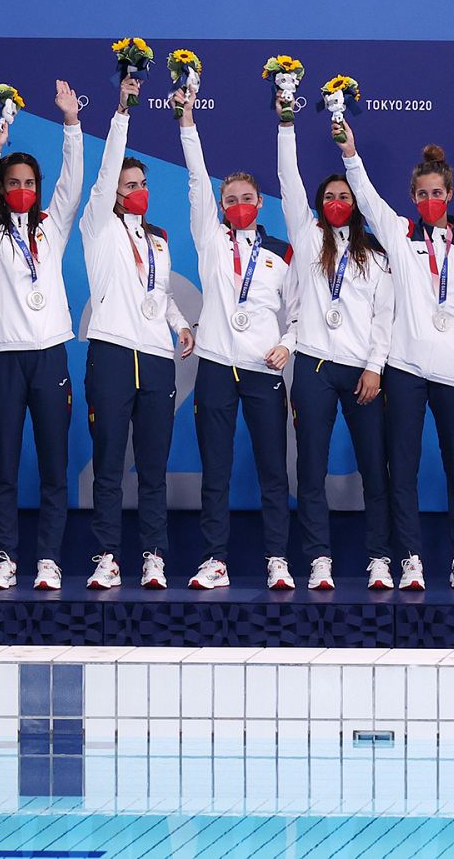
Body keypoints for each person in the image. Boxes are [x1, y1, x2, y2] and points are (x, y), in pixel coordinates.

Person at [339, 127, 454, 590]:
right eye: (422, 193)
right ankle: (410, 559)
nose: (430, 199)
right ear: (412, 196)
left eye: (437, 193)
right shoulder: (400, 235)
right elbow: (363, 195)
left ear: (450, 194)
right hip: (404, 369)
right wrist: (350, 151)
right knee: (400, 468)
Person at [176, 87, 295, 591]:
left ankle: (277, 560)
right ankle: (214, 560)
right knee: (216, 471)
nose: (239, 205)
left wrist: (289, 342)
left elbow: (301, 313)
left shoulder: (281, 255)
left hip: (265, 370)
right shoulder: (209, 237)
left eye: (247, 199)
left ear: (260, 202)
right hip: (217, 367)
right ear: (221, 206)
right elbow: (198, 180)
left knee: (273, 470)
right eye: (231, 200)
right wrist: (187, 122)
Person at [79, 76, 195, 590]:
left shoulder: (159, 239)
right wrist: (122, 110)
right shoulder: (97, 226)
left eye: (143, 183)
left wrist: (179, 324)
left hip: (154, 358)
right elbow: (106, 175)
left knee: (153, 466)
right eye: (130, 185)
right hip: (109, 351)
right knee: (108, 463)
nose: (138, 190)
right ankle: (106, 555)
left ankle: (153, 556)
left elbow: (158, 294)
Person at [0, 80, 84, 591]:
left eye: (29, 184)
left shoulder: (50, 229)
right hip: (7, 361)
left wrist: (73, 125)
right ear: (1, 188)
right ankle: (5, 557)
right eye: (13, 184)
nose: (22, 191)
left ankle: (49, 560)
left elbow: (72, 187)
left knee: (55, 466)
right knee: (5, 467)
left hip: (51, 357)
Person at [277, 92, 394, 591]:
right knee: (311, 469)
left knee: (374, 467)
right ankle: (318, 558)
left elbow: (384, 316)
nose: (337, 203)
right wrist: (286, 123)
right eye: (329, 197)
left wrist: (374, 366)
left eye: (345, 197)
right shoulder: (306, 236)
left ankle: (380, 559)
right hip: (315, 368)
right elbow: (288, 178)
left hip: (363, 372)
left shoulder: (375, 253)